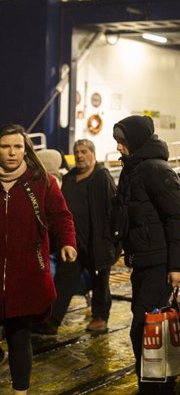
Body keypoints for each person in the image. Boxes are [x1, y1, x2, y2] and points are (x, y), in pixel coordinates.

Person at [112, 115, 180, 394]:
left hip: (159, 264)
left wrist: (178, 266)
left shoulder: (157, 170)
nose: (119, 148)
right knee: (148, 329)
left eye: (122, 142)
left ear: (134, 141)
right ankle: (153, 384)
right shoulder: (132, 170)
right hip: (143, 263)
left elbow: (178, 218)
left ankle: (156, 387)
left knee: (146, 330)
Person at [0, 124, 77, 394]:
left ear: (25, 149)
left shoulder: (41, 181)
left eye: (17, 146)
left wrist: (68, 242)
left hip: (26, 276)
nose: (11, 152)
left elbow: (61, 216)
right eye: (5, 146)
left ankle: (20, 392)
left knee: (19, 339)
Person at [34, 139, 120, 336]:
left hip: (98, 242)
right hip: (73, 243)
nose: (80, 155)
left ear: (93, 154)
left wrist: (111, 241)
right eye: (76, 152)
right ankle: (52, 321)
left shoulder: (101, 177)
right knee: (64, 279)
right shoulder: (71, 178)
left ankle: (100, 317)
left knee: (100, 282)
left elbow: (112, 211)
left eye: (84, 151)